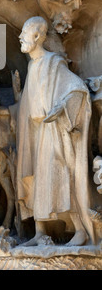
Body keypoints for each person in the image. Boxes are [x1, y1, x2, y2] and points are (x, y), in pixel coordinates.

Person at [16, 16, 95, 246]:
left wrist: (62, 107)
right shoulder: (32, 65)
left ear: (38, 37)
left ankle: (80, 229)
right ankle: (40, 232)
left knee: (62, 177)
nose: (20, 36)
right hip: (38, 132)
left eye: (25, 32)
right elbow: (28, 103)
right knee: (40, 180)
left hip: (54, 131)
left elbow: (77, 88)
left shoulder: (53, 63)